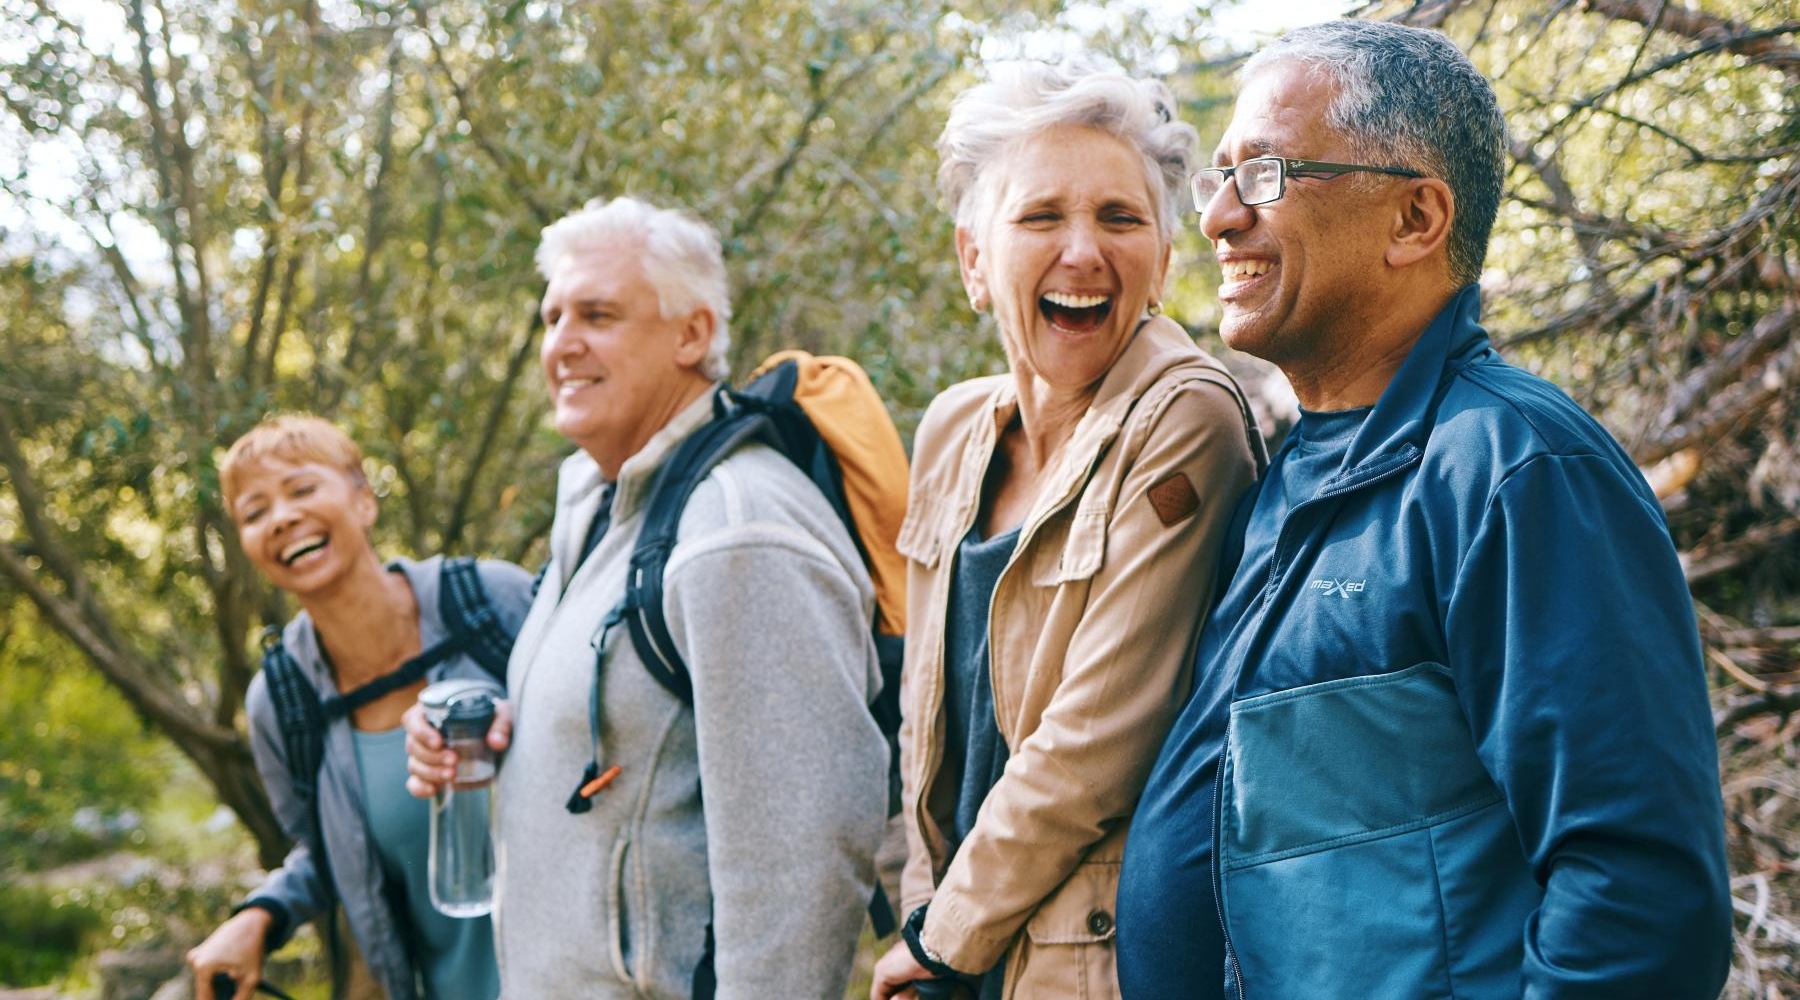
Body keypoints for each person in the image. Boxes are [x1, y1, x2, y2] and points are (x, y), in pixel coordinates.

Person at [1116, 20, 1734, 1000]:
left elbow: (1642, 899)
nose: (1220, 217)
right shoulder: (1291, 475)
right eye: (1220, 177)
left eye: (1267, 174)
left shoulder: (1516, 470)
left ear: (1415, 219)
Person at [403, 196, 888, 999]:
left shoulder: (737, 529)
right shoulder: (605, 505)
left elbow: (803, 862)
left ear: (692, 334)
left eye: (597, 315)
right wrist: (500, 732)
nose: (561, 344)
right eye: (552, 317)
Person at [870, 63, 1263, 1000]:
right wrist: (925, 925)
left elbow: (1094, 745)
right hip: (957, 952)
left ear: (1162, 262)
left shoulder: (1187, 419)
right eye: (1041, 216)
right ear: (974, 260)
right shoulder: (952, 431)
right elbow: (925, 727)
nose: (1083, 252)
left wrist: (940, 938)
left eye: (1120, 218)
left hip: (1092, 965)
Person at [185, 415, 534, 1000]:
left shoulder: (491, 602)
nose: (282, 518)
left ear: (364, 501)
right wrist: (262, 914)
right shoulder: (283, 701)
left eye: (302, 489)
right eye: (255, 512)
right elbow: (328, 853)